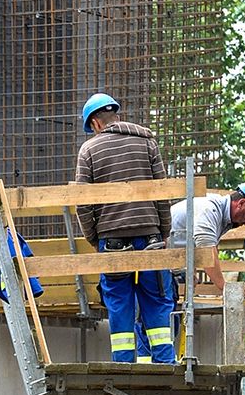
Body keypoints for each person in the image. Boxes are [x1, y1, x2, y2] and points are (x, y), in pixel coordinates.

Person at [74, 92, 176, 364]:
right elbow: (162, 194)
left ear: (95, 123)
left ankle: (124, 366)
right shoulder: (147, 143)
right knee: (156, 301)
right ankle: (165, 363)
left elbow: (82, 204)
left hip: (112, 240)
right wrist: (162, 232)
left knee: (119, 304)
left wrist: (95, 238)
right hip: (151, 237)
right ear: (114, 116)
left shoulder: (89, 150)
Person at [169, 181, 245, 293]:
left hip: (168, 260)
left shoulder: (222, 217)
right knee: (163, 303)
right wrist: (227, 289)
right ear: (241, 204)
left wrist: (190, 271)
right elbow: (206, 253)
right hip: (157, 255)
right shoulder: (211, 209)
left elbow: (198, 245)